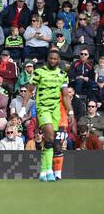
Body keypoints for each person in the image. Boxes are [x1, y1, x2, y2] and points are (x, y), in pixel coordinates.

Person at [22, 51, 73, 181]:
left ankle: (45, 171)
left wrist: (70, 111)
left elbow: (66, 96)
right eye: (51, 58)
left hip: (56, 110)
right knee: (49, 135)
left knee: (50, 140)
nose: (52, 60)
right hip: (43, 107)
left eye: (55, 58)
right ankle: (48, 169)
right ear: (47, 59)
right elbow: (29, 90)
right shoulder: (39, 72)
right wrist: (23, 107)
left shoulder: (62, 75)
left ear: (58, 60)